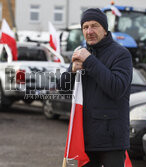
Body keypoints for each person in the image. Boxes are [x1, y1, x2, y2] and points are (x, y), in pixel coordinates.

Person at [59, 8, 133, 167]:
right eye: (85, 27)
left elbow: (117, 88)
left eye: (94, 26)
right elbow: (62, 89)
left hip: (112, 142)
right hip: (85, 139)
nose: (89, 31)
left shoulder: (121, 54)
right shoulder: (81, 53)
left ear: (105, 29)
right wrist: (71, 71)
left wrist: (90, 61)